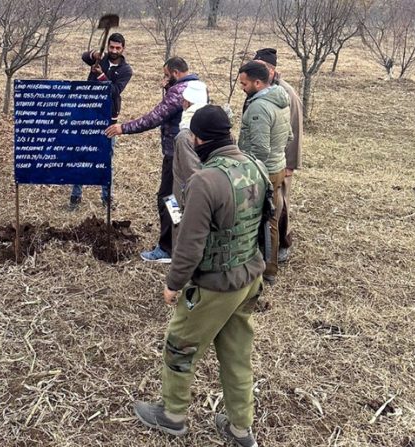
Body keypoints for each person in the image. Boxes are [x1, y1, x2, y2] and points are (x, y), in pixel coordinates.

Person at [133, 105, 267, 447]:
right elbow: (269, 223)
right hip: (249, 277)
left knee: (179, 346)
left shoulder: (205, 181)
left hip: (215, 284)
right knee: (237, 355)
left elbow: (191, 244)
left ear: (199, 138)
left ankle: (173, 415)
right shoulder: (256, 165)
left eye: (192, 136)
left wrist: (173, 284)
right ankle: (241, 429)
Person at [106, 57, 199, 263]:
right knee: (179, 198)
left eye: (167, 75)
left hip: (176, 154)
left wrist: (123, 128)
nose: (164, 78)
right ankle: (179, 241)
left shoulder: (179, 91)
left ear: (175, 73)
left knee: (168, 198)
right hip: (192, 152)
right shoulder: (197, 86)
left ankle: (168, 247)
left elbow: (155, 117)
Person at [237, 61, 292, 284]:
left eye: (244, 83)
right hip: (277, 166)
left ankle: (265, 270)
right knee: (272, 218)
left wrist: (245, 167)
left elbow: (260, 149)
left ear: (258, 83)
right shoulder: (280, 100)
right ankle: (268, 267)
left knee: (260, 220)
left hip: (262, 172)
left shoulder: (259, 107)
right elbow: (289, 136)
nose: (242, 87)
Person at [69, 33, 133, 211]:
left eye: (117, 48)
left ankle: (106, 198)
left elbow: (115, 91)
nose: (113, 51)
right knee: (81, 155)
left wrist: (101, 76)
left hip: (108, 119)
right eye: (111, 47)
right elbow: (83, 56)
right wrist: (94, 55)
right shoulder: (102, 59)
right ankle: (75, 196)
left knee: (106, 157)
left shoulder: (126, 70)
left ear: (123, 49)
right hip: (87, 114)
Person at [252, 48, 303, 263]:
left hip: (281, 161)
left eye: (262, 68)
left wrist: (291, 164)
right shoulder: (260, 88)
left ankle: (284, 243)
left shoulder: (287, 93)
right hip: (263, 159)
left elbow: (295, 129)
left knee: (281, 204)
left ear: (272, 70)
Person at [172, 80, 209, 210]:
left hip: (184, 196)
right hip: (196, 193)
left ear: (187, 103)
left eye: (183, 101)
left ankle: (175, 229)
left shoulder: (184, 135)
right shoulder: (213, 124)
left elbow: (191, 173)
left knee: (178, 224)